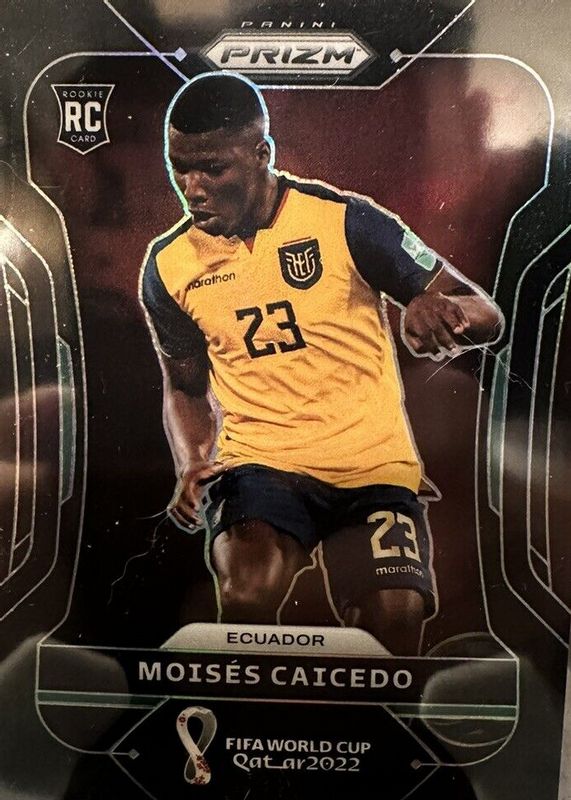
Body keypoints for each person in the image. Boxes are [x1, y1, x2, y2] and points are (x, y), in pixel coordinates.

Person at [141, 72, 503, 655]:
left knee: (395, 618)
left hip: (372, 466)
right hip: (261, 464)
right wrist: (191, 462)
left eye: (212, 169)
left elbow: (486, 312)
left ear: (261, 154)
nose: (192, 189)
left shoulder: (345, 220)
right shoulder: (169, 266)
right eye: (179, 168)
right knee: (246, 594)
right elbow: (184, 388)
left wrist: (441, 310)